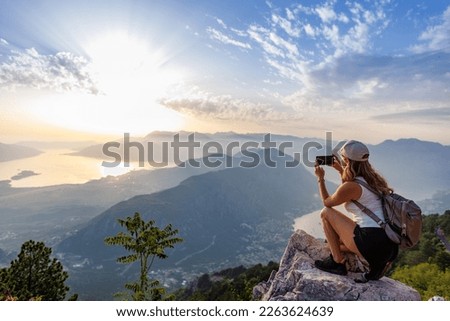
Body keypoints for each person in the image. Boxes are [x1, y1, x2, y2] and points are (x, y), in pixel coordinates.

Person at [314, 140, 398, 282]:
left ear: (347, 160)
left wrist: (320, 179)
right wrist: (341, 170)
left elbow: (327, 202)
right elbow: (351, 191)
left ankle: (337, 262)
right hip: (388, 244)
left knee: (325, 213)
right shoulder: (374, 180)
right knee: (333, 243)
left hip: (371, 240)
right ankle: (377, 263)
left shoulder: (352, 186)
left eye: (343, 159)